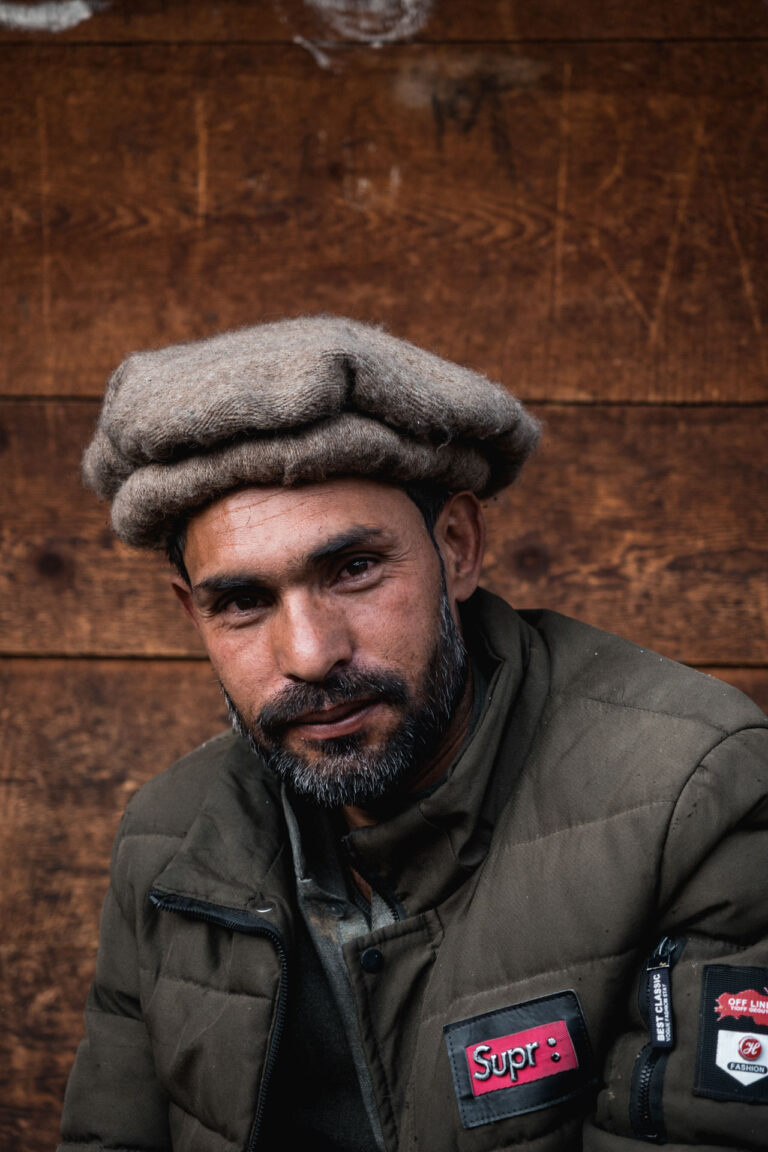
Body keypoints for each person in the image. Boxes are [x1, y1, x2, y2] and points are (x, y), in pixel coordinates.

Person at [61, 316, 768, 1152]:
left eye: (354, 569)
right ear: (194, 613)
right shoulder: (165, 839)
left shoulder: (693, 793)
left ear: (458, 548)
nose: (311, 654)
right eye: (242, 602)